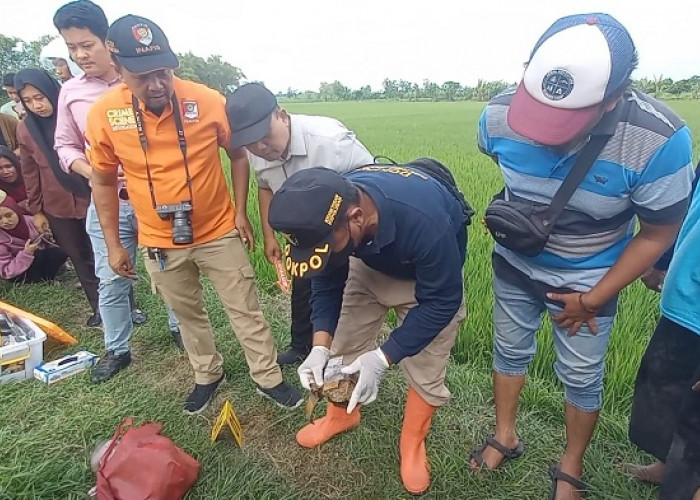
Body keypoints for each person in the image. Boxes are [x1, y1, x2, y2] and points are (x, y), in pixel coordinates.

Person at [474, 13, 694, 500]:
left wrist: (593, 298)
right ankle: (504, 434)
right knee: (508, 350)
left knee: (580, 373)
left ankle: (570, 464)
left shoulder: (657, 139)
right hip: (513, 264)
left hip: (589, 279)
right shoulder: (496, 115)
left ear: (613, 97)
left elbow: (657, 233)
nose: (547, 136)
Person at [86, 14, 302, 413]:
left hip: (218, 229)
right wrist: (115, 244)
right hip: (157, 238)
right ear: (117, 69)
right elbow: (101, 182)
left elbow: (237, 154)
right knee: (187, 314)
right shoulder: (104, 115)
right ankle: (207, 374)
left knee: (245, 308)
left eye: (163, 73)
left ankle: (267, 376)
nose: (156, 85)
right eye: (142, 76)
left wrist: (240, 211)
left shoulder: (206, 100)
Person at [267, 163, 471, 494]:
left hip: (427, 280)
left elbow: (442, 302)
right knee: (342, 344)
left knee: (426, 364)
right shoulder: (333, 221)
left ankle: (412, 443)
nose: (323, 253)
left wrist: (382, 358)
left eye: (326, 246)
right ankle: (342, 416)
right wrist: (320, 347)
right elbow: (327, 280)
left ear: (357, 217)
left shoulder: (426, 221)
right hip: (367, 261)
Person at [53, 0, 181, 364]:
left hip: (156, 197)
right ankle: (117, 348)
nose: (79, 55)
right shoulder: (72, 92)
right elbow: (64, 144)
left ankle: (180, 329)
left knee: (170, 269)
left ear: (108, 42)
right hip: (109, 199)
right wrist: (92, 172)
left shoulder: (149, 81)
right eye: (71, 47)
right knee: (110, 274)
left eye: (86, 45)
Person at [225, 82, 374, 365]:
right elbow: (266, 187)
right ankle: (301, 346)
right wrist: (270, 236)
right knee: (303, 284)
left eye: (263, 135)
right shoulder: (257, 154)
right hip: (308, 236)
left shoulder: (331, 142)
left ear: (281, 114)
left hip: (348, 232)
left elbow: (372, 188)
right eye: (249, 141)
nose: (260, 147)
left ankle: (347, 356)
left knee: (352, 293)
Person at [625, 180, 700, 499]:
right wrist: (662, 260)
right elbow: (688, 205)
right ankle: (667, 464)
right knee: (663, 385)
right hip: (685, 299)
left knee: (697, 419)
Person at [14, 68, 100, 325]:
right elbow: (29, 172)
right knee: (79, 256)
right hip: (57, 205)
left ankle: (126, 306)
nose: (36, 105)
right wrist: (38, 210)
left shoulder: (74, 114)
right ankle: (98, 308)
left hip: (91, 196)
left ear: (51, 91)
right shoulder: (25, 129)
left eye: (39, 97)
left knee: (104, 254)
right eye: (28, 101)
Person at [0, 190, 68, 282]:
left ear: (16, 211)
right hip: (17, 272)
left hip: (38, 260)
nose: (5, 221)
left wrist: (47, 235)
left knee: (60, 252)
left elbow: (49, 244)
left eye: (9, 215)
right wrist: (26, 253)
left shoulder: (32, 222)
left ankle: (46, 277)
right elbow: (6, 272)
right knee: (38, 255)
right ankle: (41, 280)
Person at [0, 146, 29, 214]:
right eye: (0, 168)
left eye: (8, 166)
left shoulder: (30, 176)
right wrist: (17, 206)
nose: (5, 172)